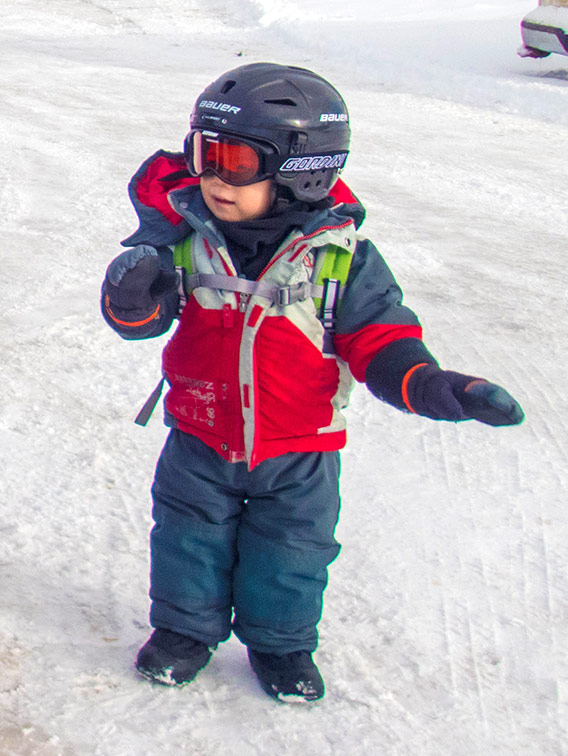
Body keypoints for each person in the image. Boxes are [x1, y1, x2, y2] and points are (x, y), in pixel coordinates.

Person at [100, 63, 524, 702]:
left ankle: (281, 645)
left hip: (300, 450)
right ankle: (185, 631)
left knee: (292, 553)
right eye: (202, 154)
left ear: (304, 170)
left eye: (235, 161)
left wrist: (433, 384)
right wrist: (129, 296)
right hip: (198, 435)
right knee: (187, 539)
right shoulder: (186, 243)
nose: (212, 176)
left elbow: (381, 339)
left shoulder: (343, 258)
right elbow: (141, 322)